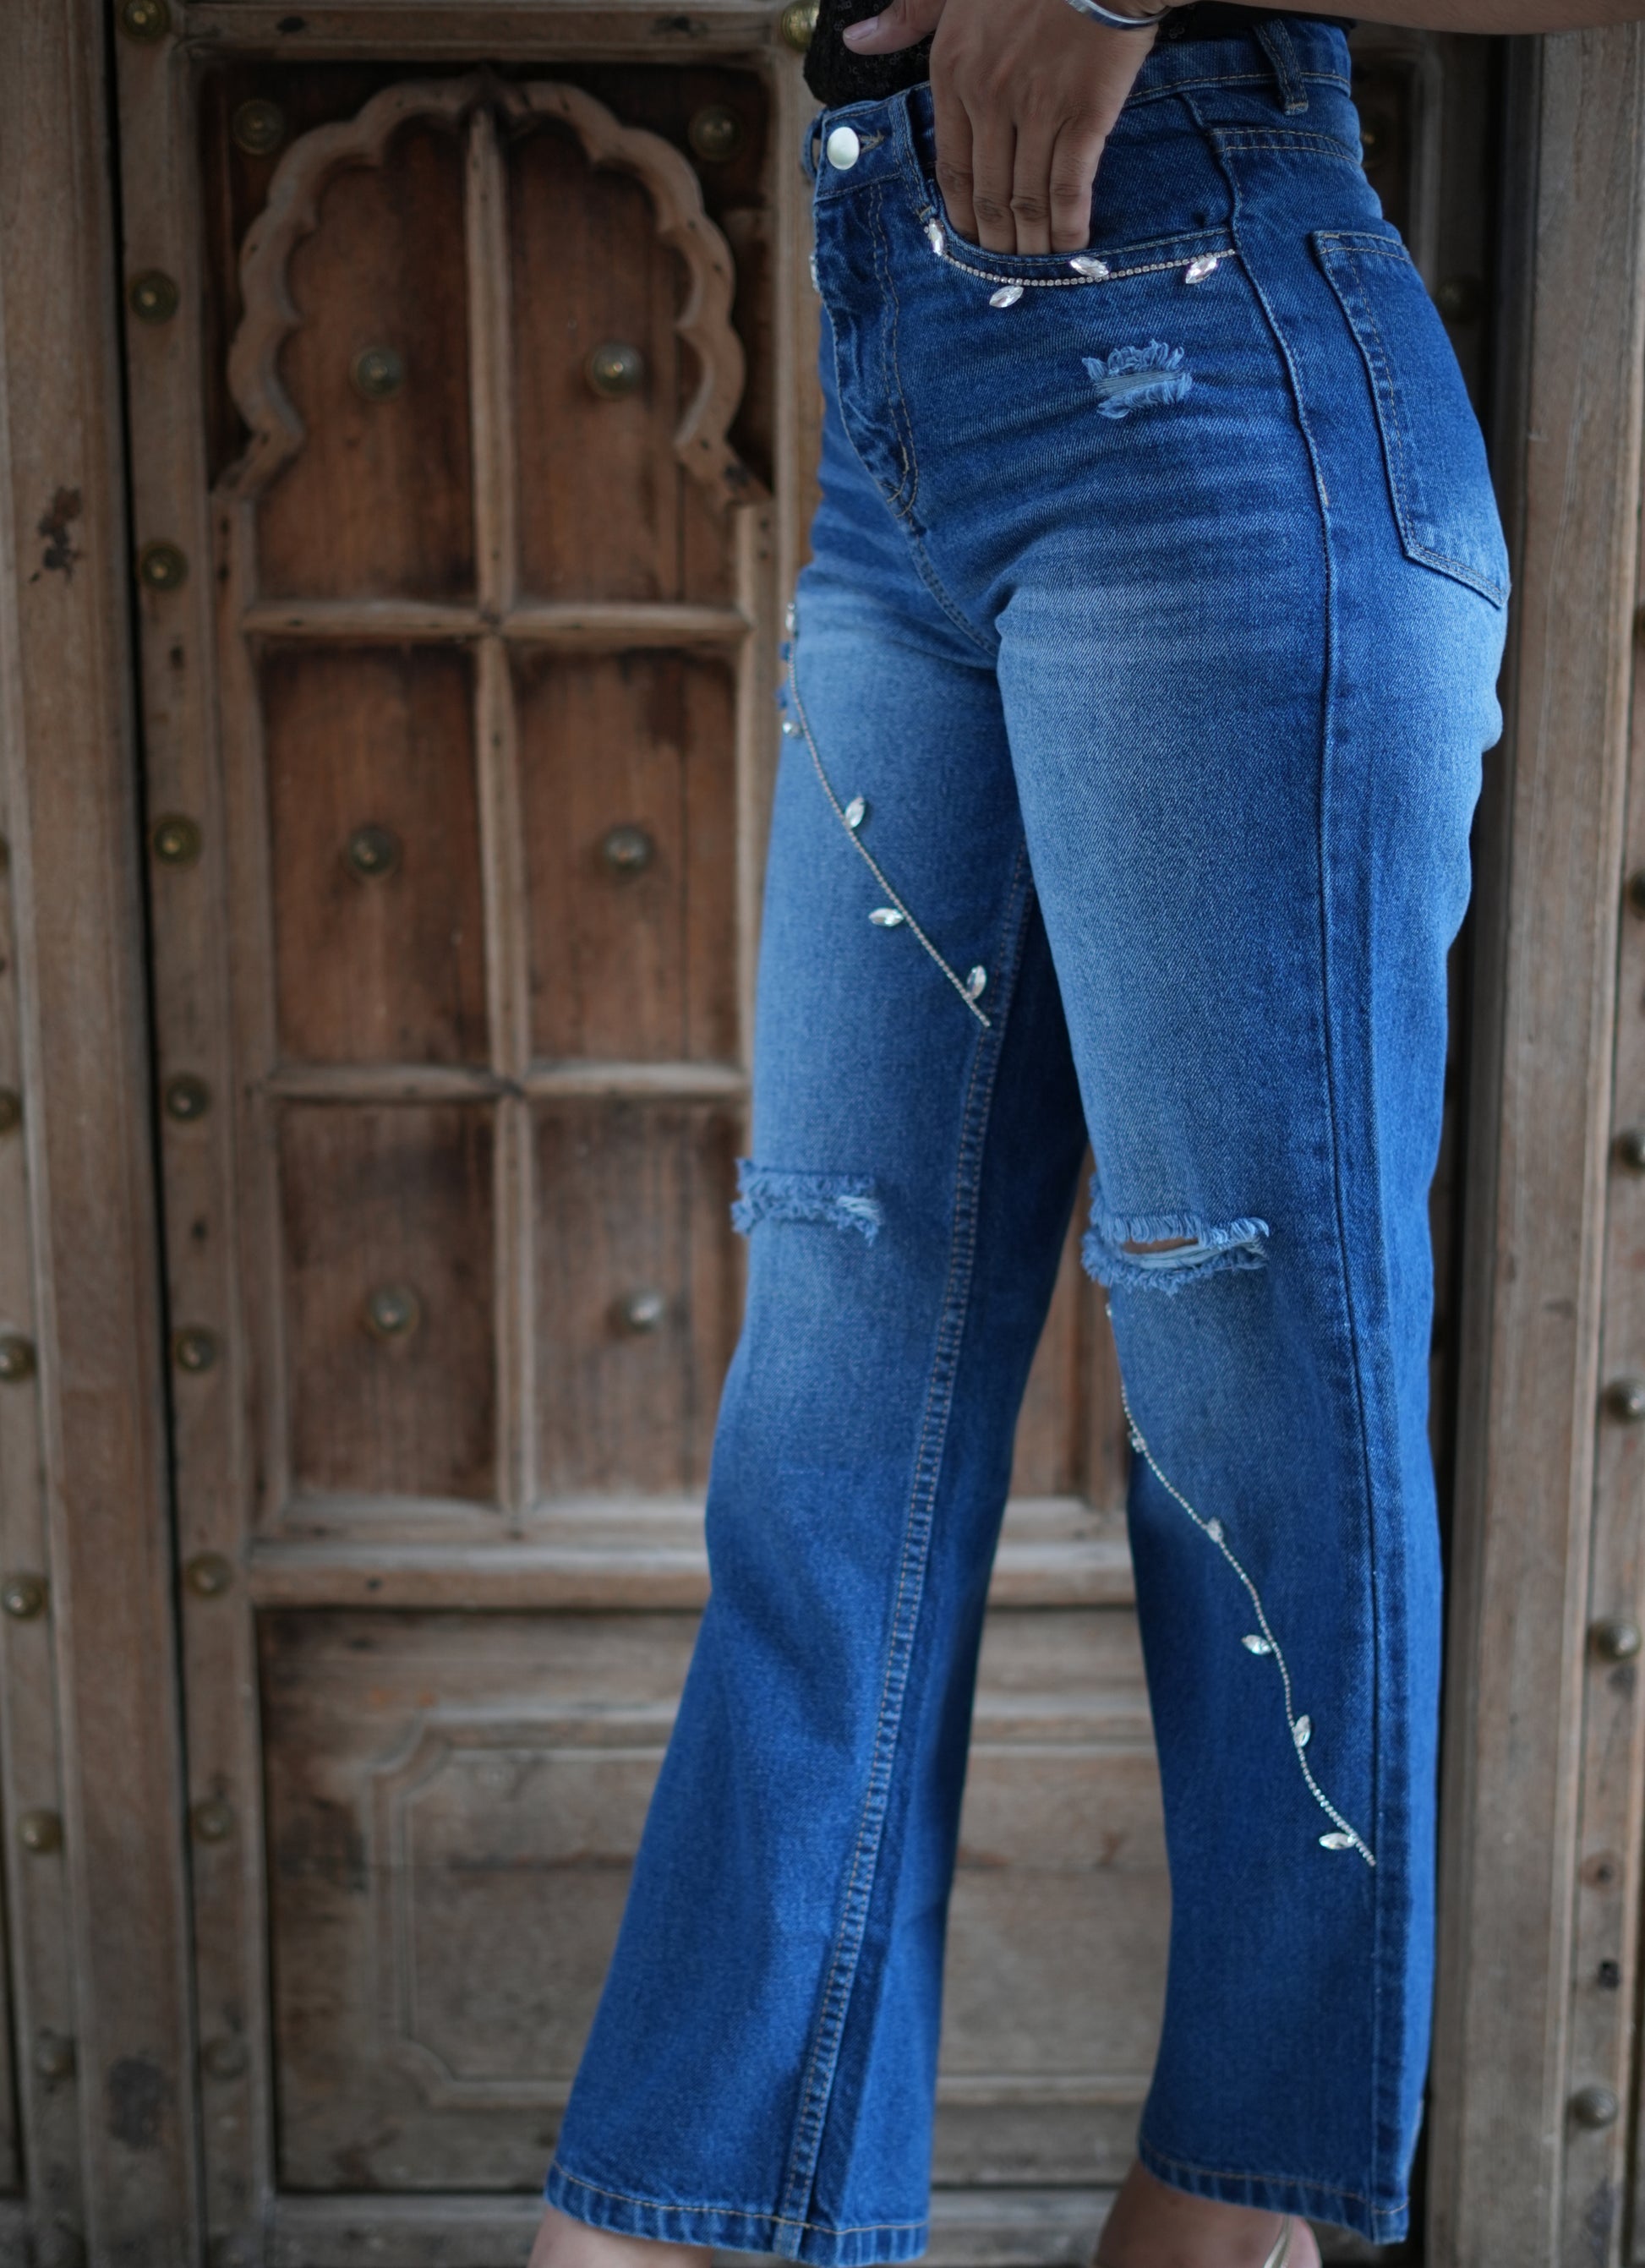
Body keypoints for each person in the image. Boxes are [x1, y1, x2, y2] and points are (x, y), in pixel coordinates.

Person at [525, 0, 1621, 2260]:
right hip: (901, 386)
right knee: (829, 1391)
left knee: (1247, 1383)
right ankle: (691, 2218)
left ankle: (1219, 2229)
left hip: (1207, 361)